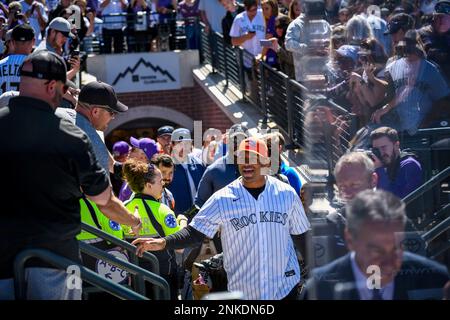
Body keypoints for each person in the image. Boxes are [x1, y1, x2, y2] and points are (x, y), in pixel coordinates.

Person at [0, 50, 141, 300]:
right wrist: (132, 220)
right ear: (53, 85)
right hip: (56, 259)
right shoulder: (72, 137)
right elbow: (104, 201)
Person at [132, 137, 311, 300]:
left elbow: (301, 235)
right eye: (241, 158)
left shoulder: (286, 194)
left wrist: (316, 271)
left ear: (265, 161)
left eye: (252, 158)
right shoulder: (222, 198)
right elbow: (194, 233)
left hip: (285, 288)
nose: (246, 163)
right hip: (243, 291)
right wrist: (162, 242)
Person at [305, 190, 449, 300]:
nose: (388, 262)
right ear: (350, 239)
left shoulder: (437, 281)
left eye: (395, 249)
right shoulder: (319, 288)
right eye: (376, 250)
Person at [371, 30, 450, 136]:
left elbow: (443, 101)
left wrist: (427, 122)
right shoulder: (392, 67)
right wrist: (384, 110)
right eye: (405, 45)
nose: (409, 49)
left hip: (424, 130)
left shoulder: (431, 69)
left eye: (412, 45)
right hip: (399, 128)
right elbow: (389, 98)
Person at [122, 159, 181, 300]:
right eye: (160, 181)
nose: (163, 184)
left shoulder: (123, 208)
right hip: (163, 279)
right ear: (149, 185)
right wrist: (183, 221)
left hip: (135, 278)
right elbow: (180, 248)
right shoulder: (162, 210)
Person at [56, 80, 127, 173]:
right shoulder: (86, 133)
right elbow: (105, 185)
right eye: (112, 113)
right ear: (95, 111)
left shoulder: (55, 112)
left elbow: (110, 164)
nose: (113, 117)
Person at [369, 126, 423, 199]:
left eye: (383, 147)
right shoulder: (383, 164)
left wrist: (379, 170)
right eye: (376, 149)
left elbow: (394, 201)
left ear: (396, 145)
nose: (381, 153)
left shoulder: (409, 165)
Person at [167, 127, 205, 215]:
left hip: (199, 216)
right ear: (172, 144)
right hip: (177, 217)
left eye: (187, 143)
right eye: (179, 143)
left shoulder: (199, 164)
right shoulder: (166, 167)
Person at [118, 136, 159, 201]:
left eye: (133, 149)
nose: (129, 150)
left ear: (143, 157)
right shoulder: (136, 173)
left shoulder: (140, 179)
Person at [418, 0, 450, 83]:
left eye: (446, 17)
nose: (441, 21)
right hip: (427, 85)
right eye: (439, 17)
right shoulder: (419, 35)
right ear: (433, 17)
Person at [0, 24, 35, 95]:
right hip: (25, 105)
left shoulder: (0, 64)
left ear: (12, 42)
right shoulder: (36, 67)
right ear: (33, 41)